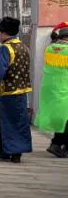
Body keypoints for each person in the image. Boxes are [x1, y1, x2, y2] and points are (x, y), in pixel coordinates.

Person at [0, 17, 33, 163]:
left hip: (6, 93)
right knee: (19, 122)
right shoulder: (24, 47)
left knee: (2, 122)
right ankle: (16, 153)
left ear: (3, 33)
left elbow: (0, 71)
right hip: (21, 92)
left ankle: (3, 151)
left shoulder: (5, 48)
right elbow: (15, 69)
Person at [36, 22, 68, 158]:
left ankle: (57, 144)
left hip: (50, 89)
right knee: (65, 119)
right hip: (65, 89)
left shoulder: (49, 49)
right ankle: (58, 145)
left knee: (61, 119)